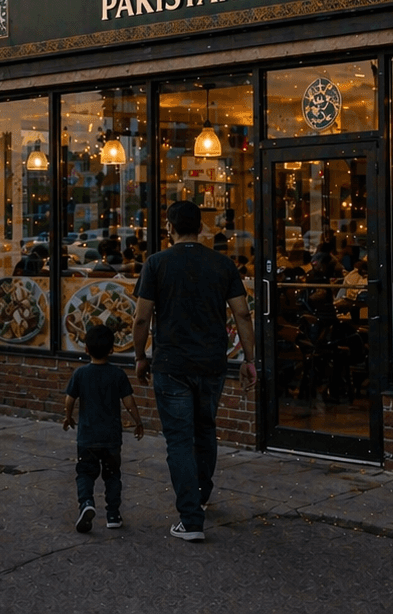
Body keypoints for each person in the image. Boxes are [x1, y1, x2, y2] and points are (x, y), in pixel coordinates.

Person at [131, 200, 257, 542]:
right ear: (201, 228)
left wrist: (140, 355)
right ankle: (200, 494)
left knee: (179, 440)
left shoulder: (156, 264)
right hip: (212, 363)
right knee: (205, 430)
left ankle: (190, 519)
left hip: (171, 365)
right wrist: (249, 359)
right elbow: (242, 315)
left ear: (169, 227)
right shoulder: (222, 264)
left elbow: (142, 317)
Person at [63, 324, 144, 533]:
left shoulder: (80, 374)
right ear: (112, 350)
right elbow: (129, 402)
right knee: (112, 476)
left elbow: (69, 399)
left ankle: (87, 504)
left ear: (86, 350)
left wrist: (67, 417)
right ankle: (113, 515)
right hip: (111, 439)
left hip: (87, 438)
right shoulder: (118, 374)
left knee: (85, 473)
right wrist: (138, 422)